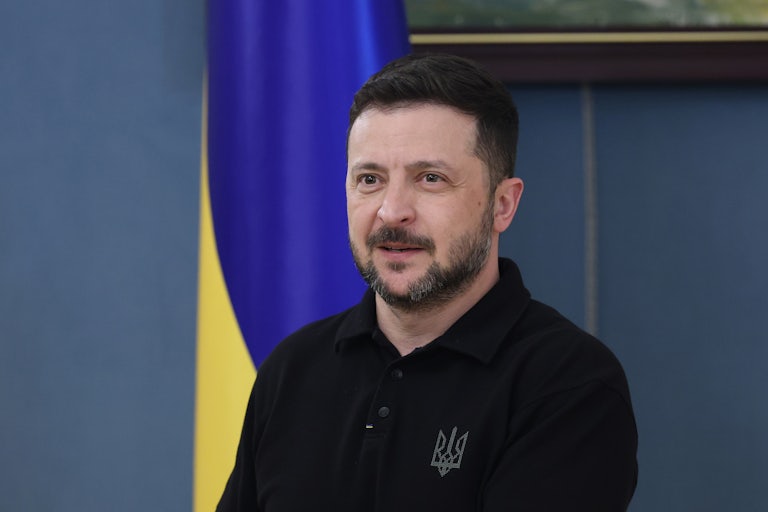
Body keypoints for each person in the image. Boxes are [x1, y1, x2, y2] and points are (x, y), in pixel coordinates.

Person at [218, 53, 637, 511]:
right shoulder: (292, 369)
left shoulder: (569, 384)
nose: (392, 210)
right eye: (370, 178)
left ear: (502, 205)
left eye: (430, 178)